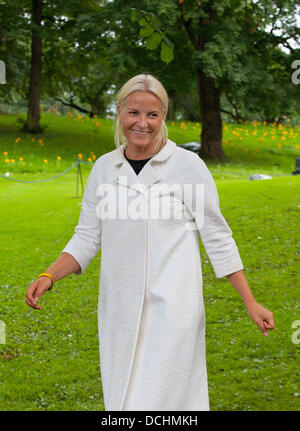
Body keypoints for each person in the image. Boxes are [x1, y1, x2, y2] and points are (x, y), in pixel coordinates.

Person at [25, 73, 275, 411]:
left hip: (174, 313)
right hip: (119, 311)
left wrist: (250, 301)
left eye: (152, 115)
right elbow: (87, 236)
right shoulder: (103, 170)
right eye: (134, 113)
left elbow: (217, 236)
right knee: (125, 404)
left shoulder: (188, 167)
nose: (142, 123)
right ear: (120, 113)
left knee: (168, 403)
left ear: (164, 117)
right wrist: (49, 275)